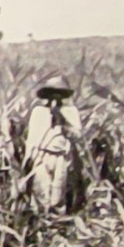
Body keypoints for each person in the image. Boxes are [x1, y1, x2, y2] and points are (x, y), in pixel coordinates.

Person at [24, 75, 84, 213]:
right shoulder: (38, 112)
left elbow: (78, 135)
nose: (55, 97)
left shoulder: (71, 112)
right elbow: (33, 137)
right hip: (42, 156)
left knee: (58, 195)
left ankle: (57, 224)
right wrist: (29, 159)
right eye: (52, 93)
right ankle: (41, 225)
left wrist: (62, 121)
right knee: (40, 193)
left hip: (61, 157)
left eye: (59, 93)